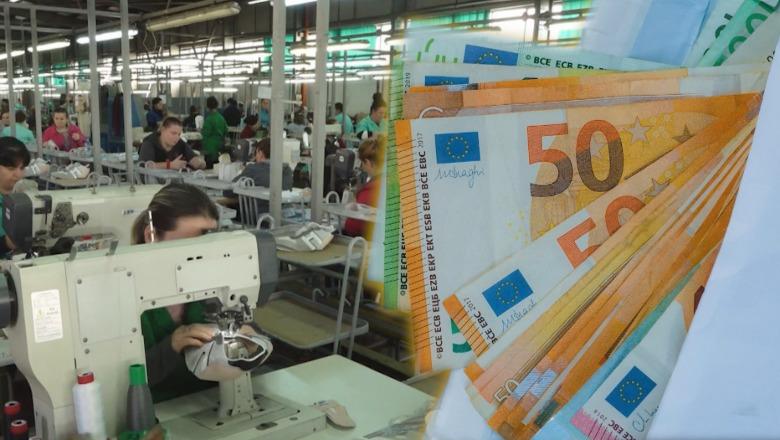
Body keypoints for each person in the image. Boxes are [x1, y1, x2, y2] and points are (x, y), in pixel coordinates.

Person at [131, 183, 220, 402]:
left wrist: (249, 333)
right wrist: (172, 346)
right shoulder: (124, 292)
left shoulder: (209, 276)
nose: (200, 257)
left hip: (210, 399)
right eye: (188, 246)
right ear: (151, 235)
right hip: (157, 410)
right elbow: (118, 380)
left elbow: (240, 316)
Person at [224, 138, 293, 206]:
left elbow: (228, 192)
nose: (255, 157)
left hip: (259, 212)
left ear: (260, 153)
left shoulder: (253, 169)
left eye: (256, 153)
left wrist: (243, 172)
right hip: (282, 211)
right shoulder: (287, 170)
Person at [344, 137, 383, 237]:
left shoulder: (371, 190)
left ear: (368, 162)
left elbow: (352, 228)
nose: (362, 168)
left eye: (362, 163)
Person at [0, 137, 31, 254]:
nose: (18, 175)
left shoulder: (20, 195)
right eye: (11, 168)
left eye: (22, 168)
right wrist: (6, 243)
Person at [139, 117, 206, 170]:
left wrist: (199, 163)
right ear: (163, 130)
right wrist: (170, 165)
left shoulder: (180, 143)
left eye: (179, 134)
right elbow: (144, 166)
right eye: (173, 133)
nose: (177, 137)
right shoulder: (149, 143)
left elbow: (192, 158)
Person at [202, 96, 228, 166]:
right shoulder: (221, 118)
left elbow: (205, 134)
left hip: (210, 148)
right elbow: (226, 131)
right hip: (220, 147)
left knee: (209, 168)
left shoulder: (209, 119)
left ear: (208, 106)